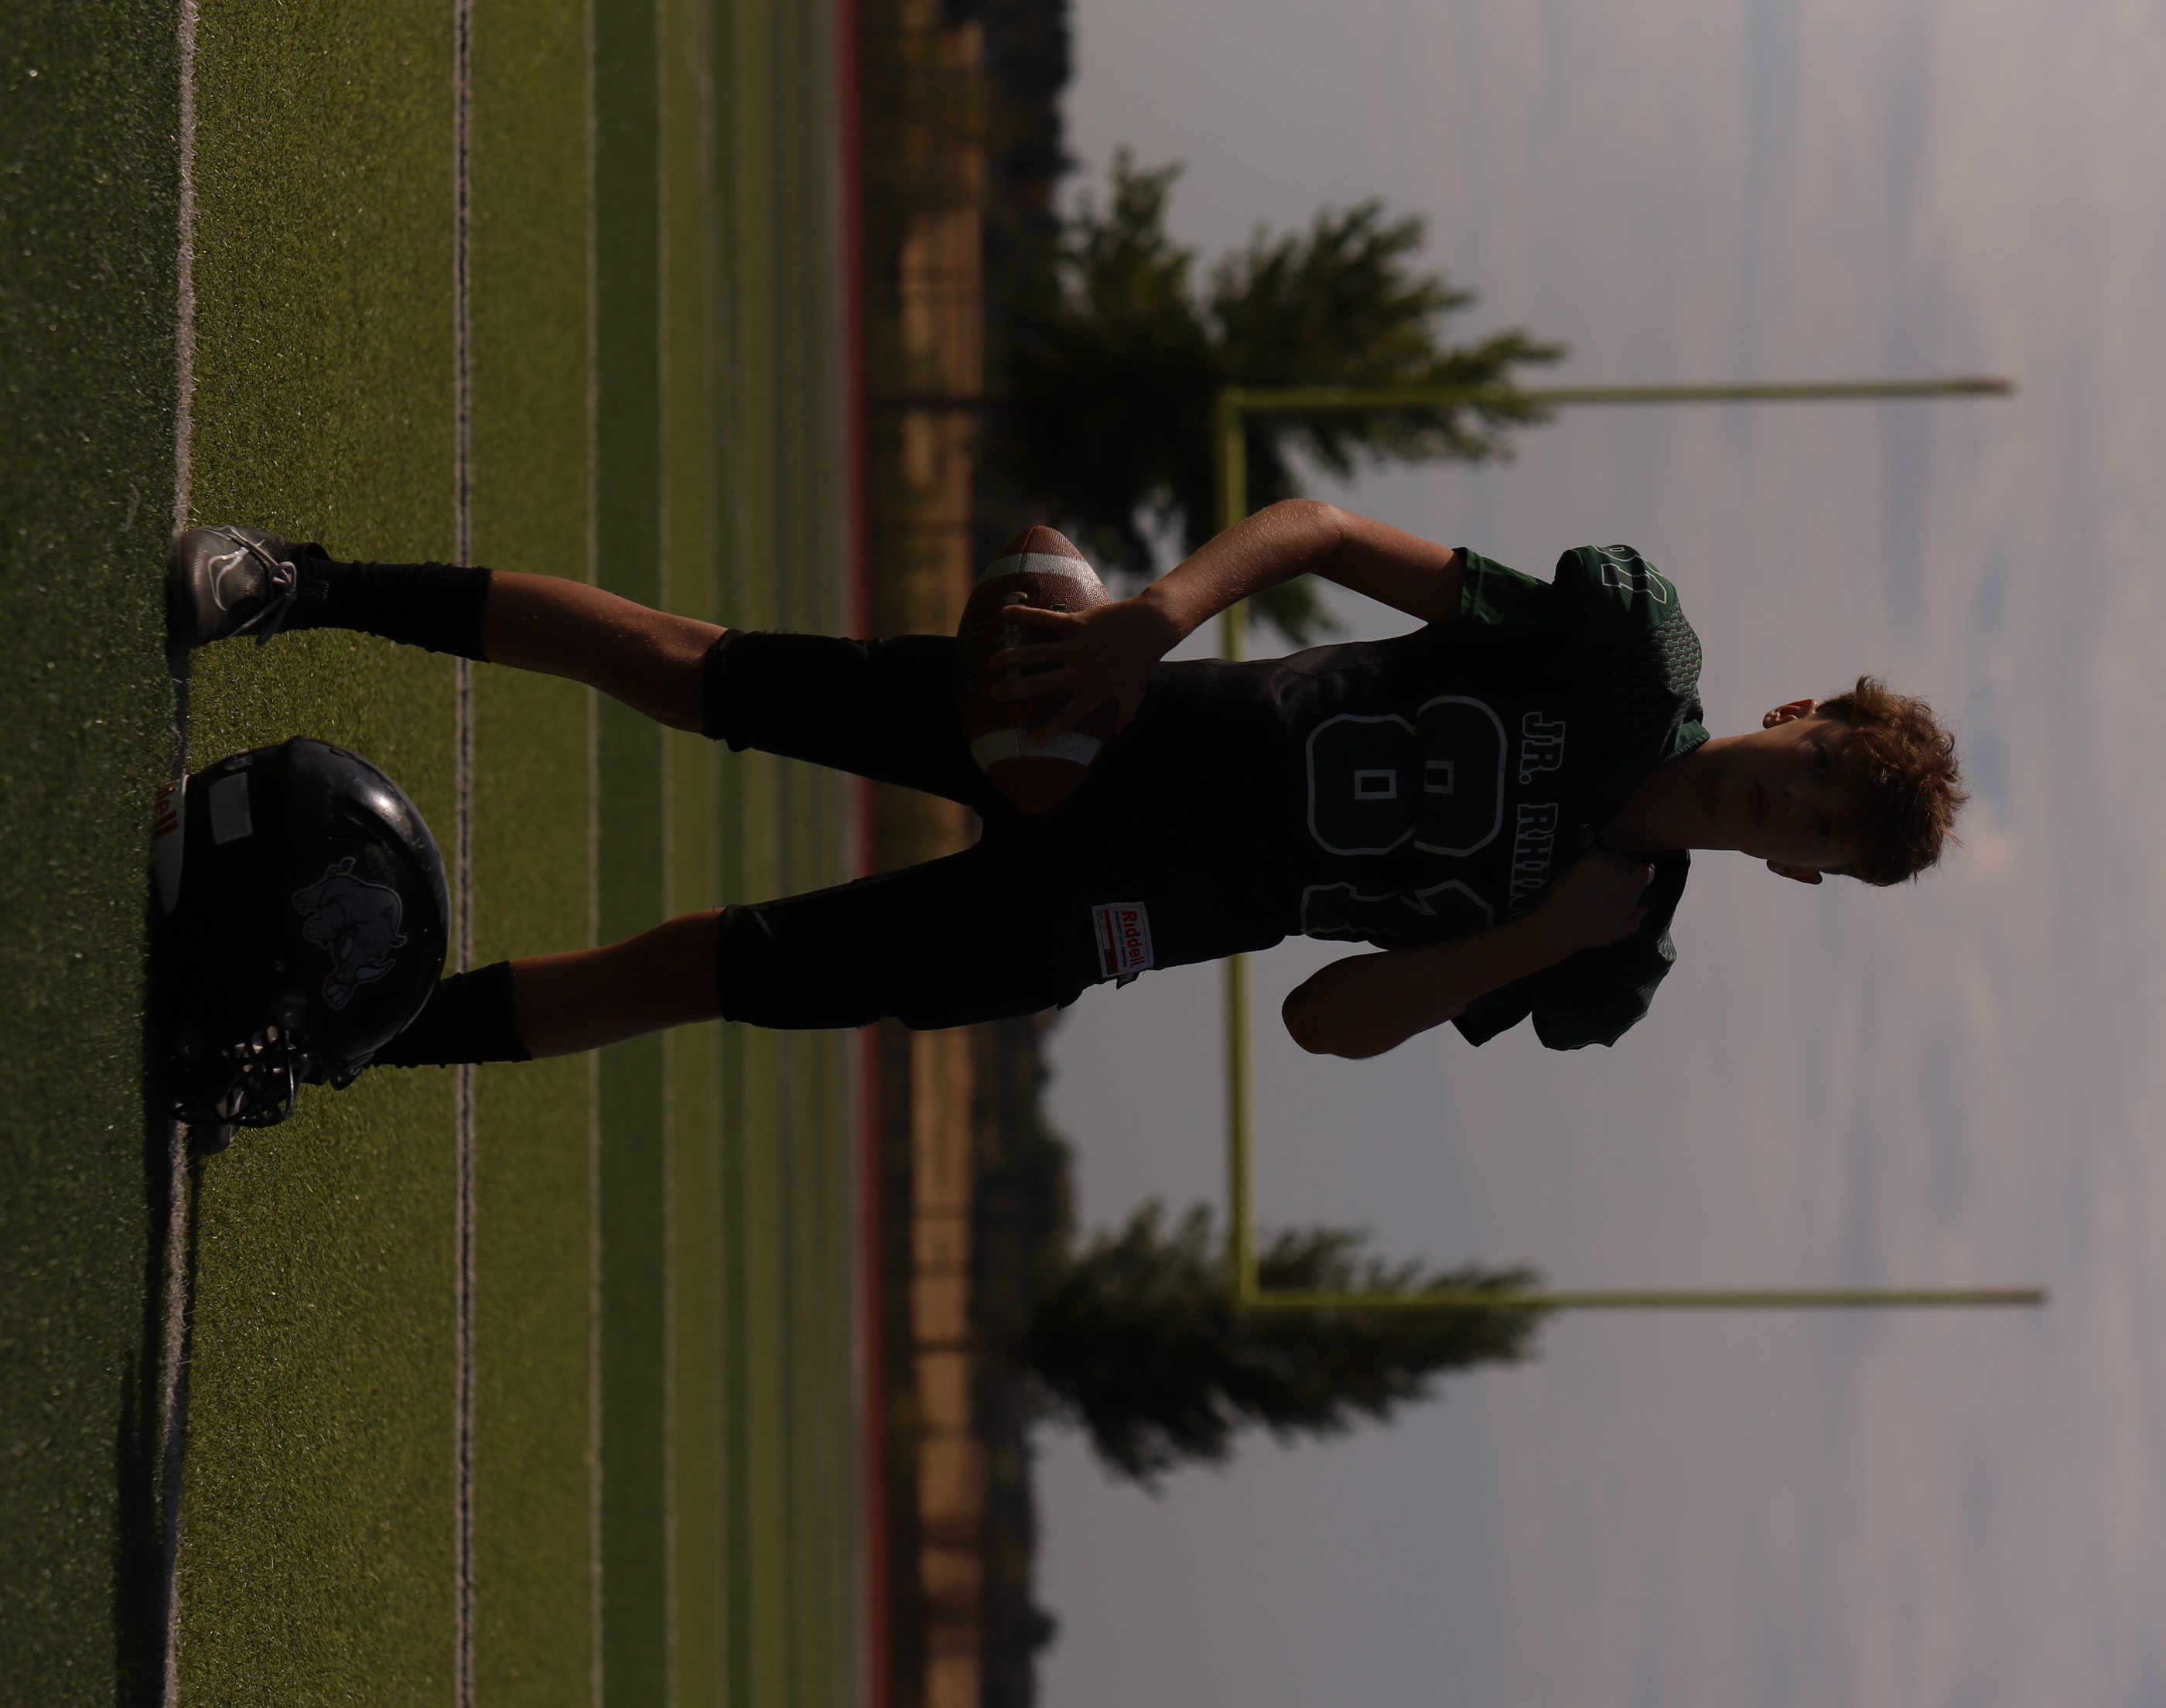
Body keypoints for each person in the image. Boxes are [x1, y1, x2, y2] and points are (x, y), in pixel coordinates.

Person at [166, 500, 1963, 1070]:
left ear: (1802, 877)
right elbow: (1326, 532)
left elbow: (1324, 1023)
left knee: (702, 970)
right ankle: (302, 583)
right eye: (1809, 769)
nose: (1783, 805)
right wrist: (1145, 623)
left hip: (1112, 918)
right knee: (682, 663)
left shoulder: (1607, 957)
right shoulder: (1622, 653)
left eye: (1812, 830)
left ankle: (321, 1040)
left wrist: (1531, 939)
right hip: (1109, 726)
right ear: (1792, 710)